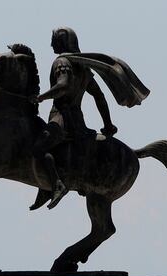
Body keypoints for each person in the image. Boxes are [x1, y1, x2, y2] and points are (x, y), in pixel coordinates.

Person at [28, 27, 120, 210]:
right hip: (78, 122)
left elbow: (62, 86)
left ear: (61, 42)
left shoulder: (62, 62)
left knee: (37, 148)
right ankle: (45, 187)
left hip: (61, 118)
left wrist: (41, 97)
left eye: (53, 40)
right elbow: (99, 96)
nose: (51, 44)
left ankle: (56, 186)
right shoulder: (83, 67)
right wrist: (107, 123)